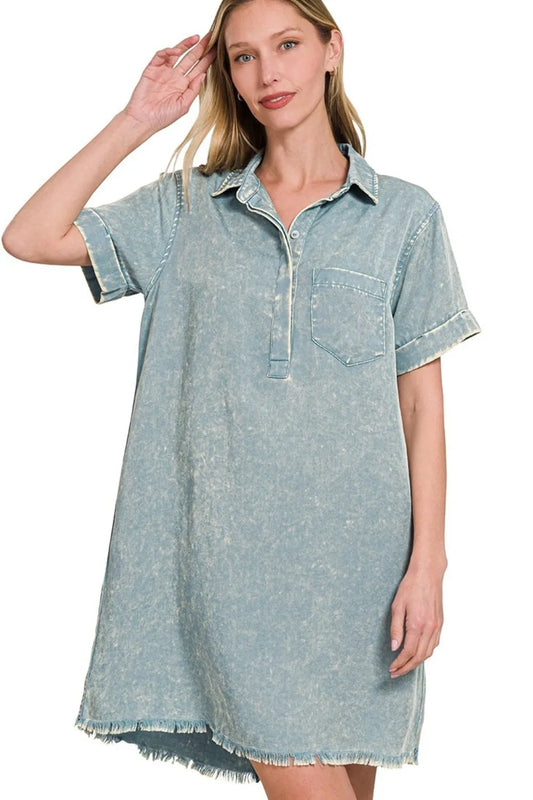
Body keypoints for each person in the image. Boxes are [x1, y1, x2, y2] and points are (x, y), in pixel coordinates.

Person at [2, 1, 482, 798]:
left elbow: (420, 408)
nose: (268, 72)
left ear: (331, 49)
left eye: (287, 44)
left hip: (359, 578)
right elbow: (30, 236)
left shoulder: (403, 216)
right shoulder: (187, 209)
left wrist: (426, 564)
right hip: (228, 572)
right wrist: (137, 119)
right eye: (243, 55)